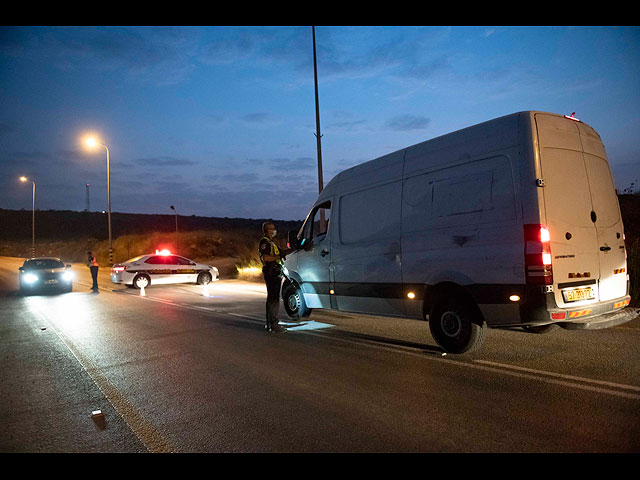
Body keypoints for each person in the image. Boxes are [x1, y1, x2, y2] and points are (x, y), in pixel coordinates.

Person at [259, 222, 293, 333]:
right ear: (266, 230)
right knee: (273, 299)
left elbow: (282, 252)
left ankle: (270, 324)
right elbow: (266, 258)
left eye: (274, 229)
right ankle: (273, 325)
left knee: (273, 299)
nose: (274, 231)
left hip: (275, 273)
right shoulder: (264, 242)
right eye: (271, 229)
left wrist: (294, 249)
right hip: (271, 273)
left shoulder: (271, 243)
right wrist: (278, 256)